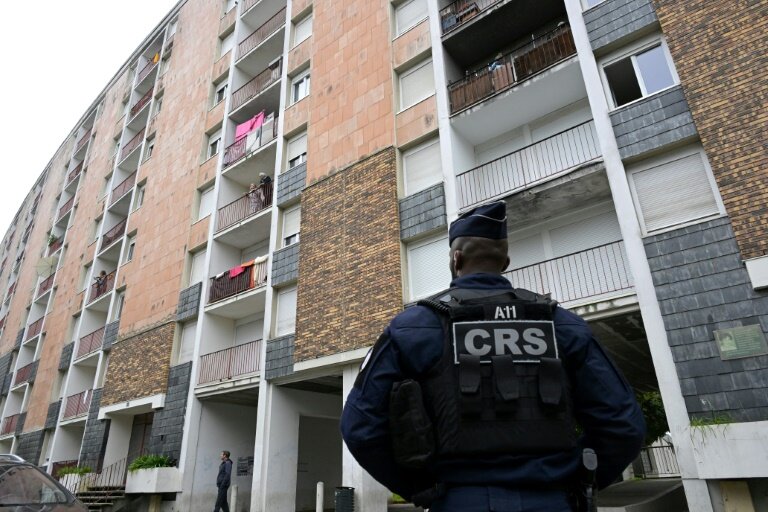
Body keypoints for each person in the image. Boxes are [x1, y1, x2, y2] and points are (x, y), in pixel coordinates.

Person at [340, 201, 646, 511]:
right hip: (552, 499)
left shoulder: (414, 327)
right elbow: (624, 426)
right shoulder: (564, 326)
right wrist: (578, 483)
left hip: (458, 500)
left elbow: (360, 427)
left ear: (456, 259)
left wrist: (419, 486)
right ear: (506, 262)